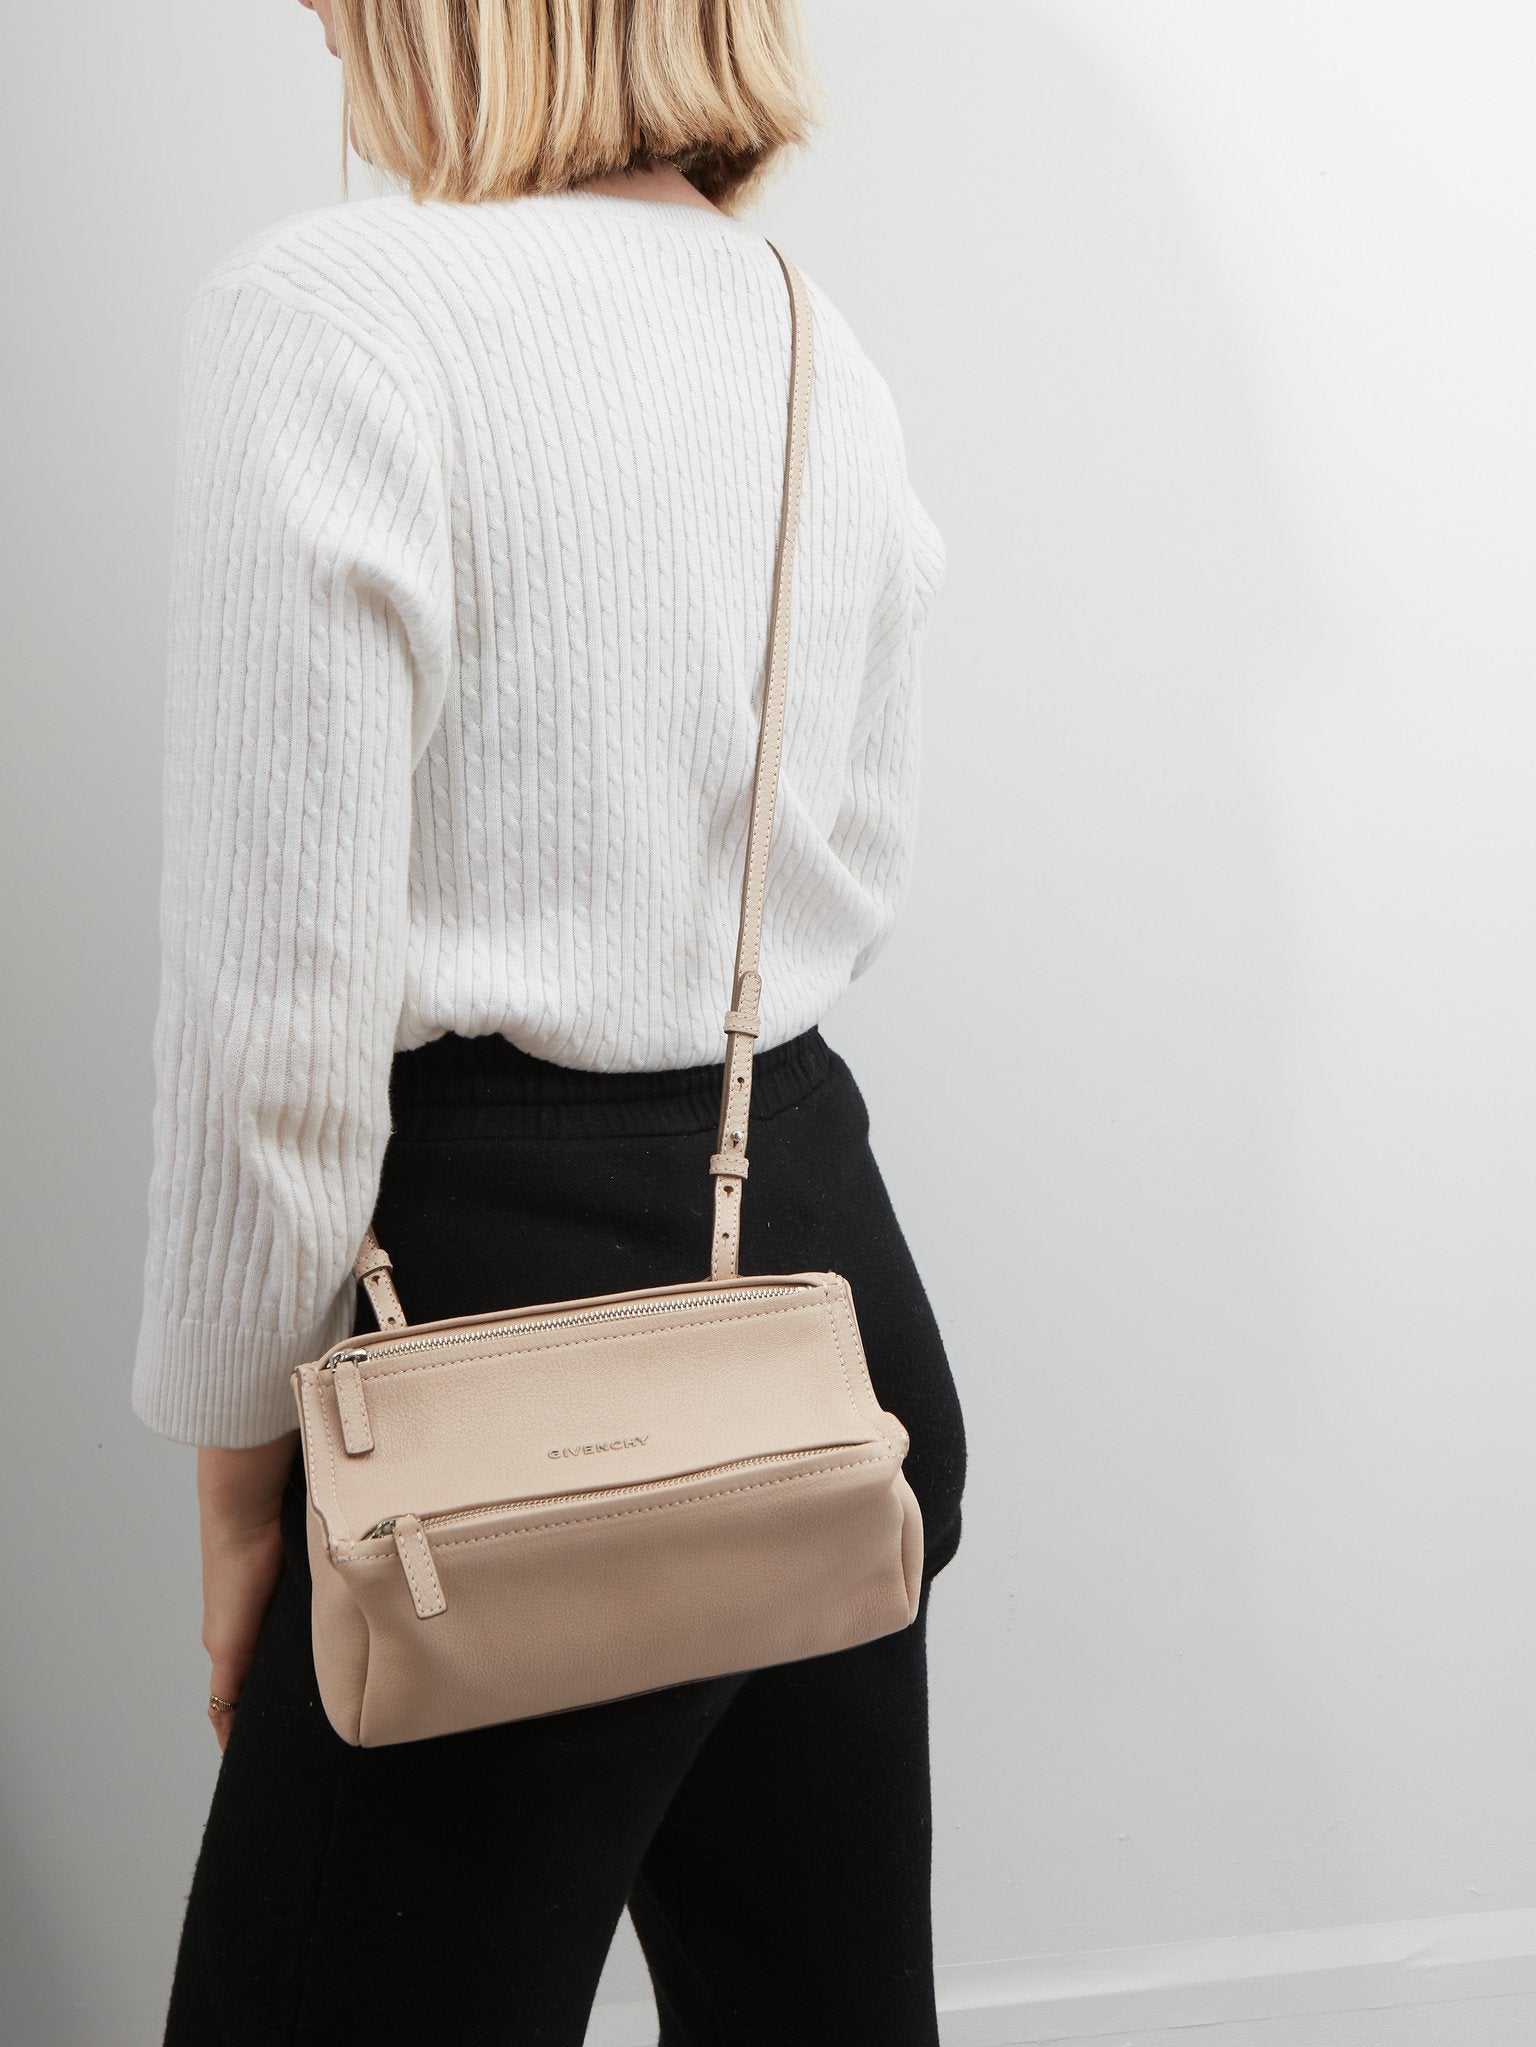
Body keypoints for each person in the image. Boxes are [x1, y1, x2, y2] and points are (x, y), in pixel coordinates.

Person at [132, 0, 967, 2039]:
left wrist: (245, 1479)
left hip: (499, 1377)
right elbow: (852, 857)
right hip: (825, 1312)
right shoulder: (808, 338)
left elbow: (276, 1015)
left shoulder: (335, 315)